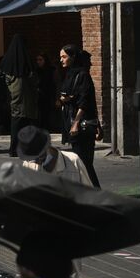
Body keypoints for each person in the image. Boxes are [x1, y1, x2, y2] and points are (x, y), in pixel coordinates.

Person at [59, 45, 101, 187]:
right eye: (61, 57)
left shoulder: (83, 75)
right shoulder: (71, 74)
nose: (61, 60)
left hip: (81, 125)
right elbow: (73, 95)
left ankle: (96, 193)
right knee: (82, 163)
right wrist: (65, 99)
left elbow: (86, 101)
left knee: (84, 163)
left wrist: (76, 122)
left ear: (73, 57)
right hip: (72, 122)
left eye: (64, 57)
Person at [0, 33, 38, 157]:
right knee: (27, 122)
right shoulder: (27, 59)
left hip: (13, 96)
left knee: (16, 122)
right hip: (27, 97)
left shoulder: (7, 59)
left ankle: (13, 149)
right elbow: (33, 77)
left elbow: (3, 77)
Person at [17, 125, 90, 184]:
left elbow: (89, 194)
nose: (36, 162)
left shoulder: (73, 160)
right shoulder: (28, 165)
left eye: (39, 156)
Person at [34, 52, 58, 143]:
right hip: (39, 97)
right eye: (37, 60)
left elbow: (56, 84)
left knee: (47, 116)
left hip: (49, 96)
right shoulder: (36, 71)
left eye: (40, 60)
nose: (38, 62)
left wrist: (57, 98)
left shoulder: (51, 70)